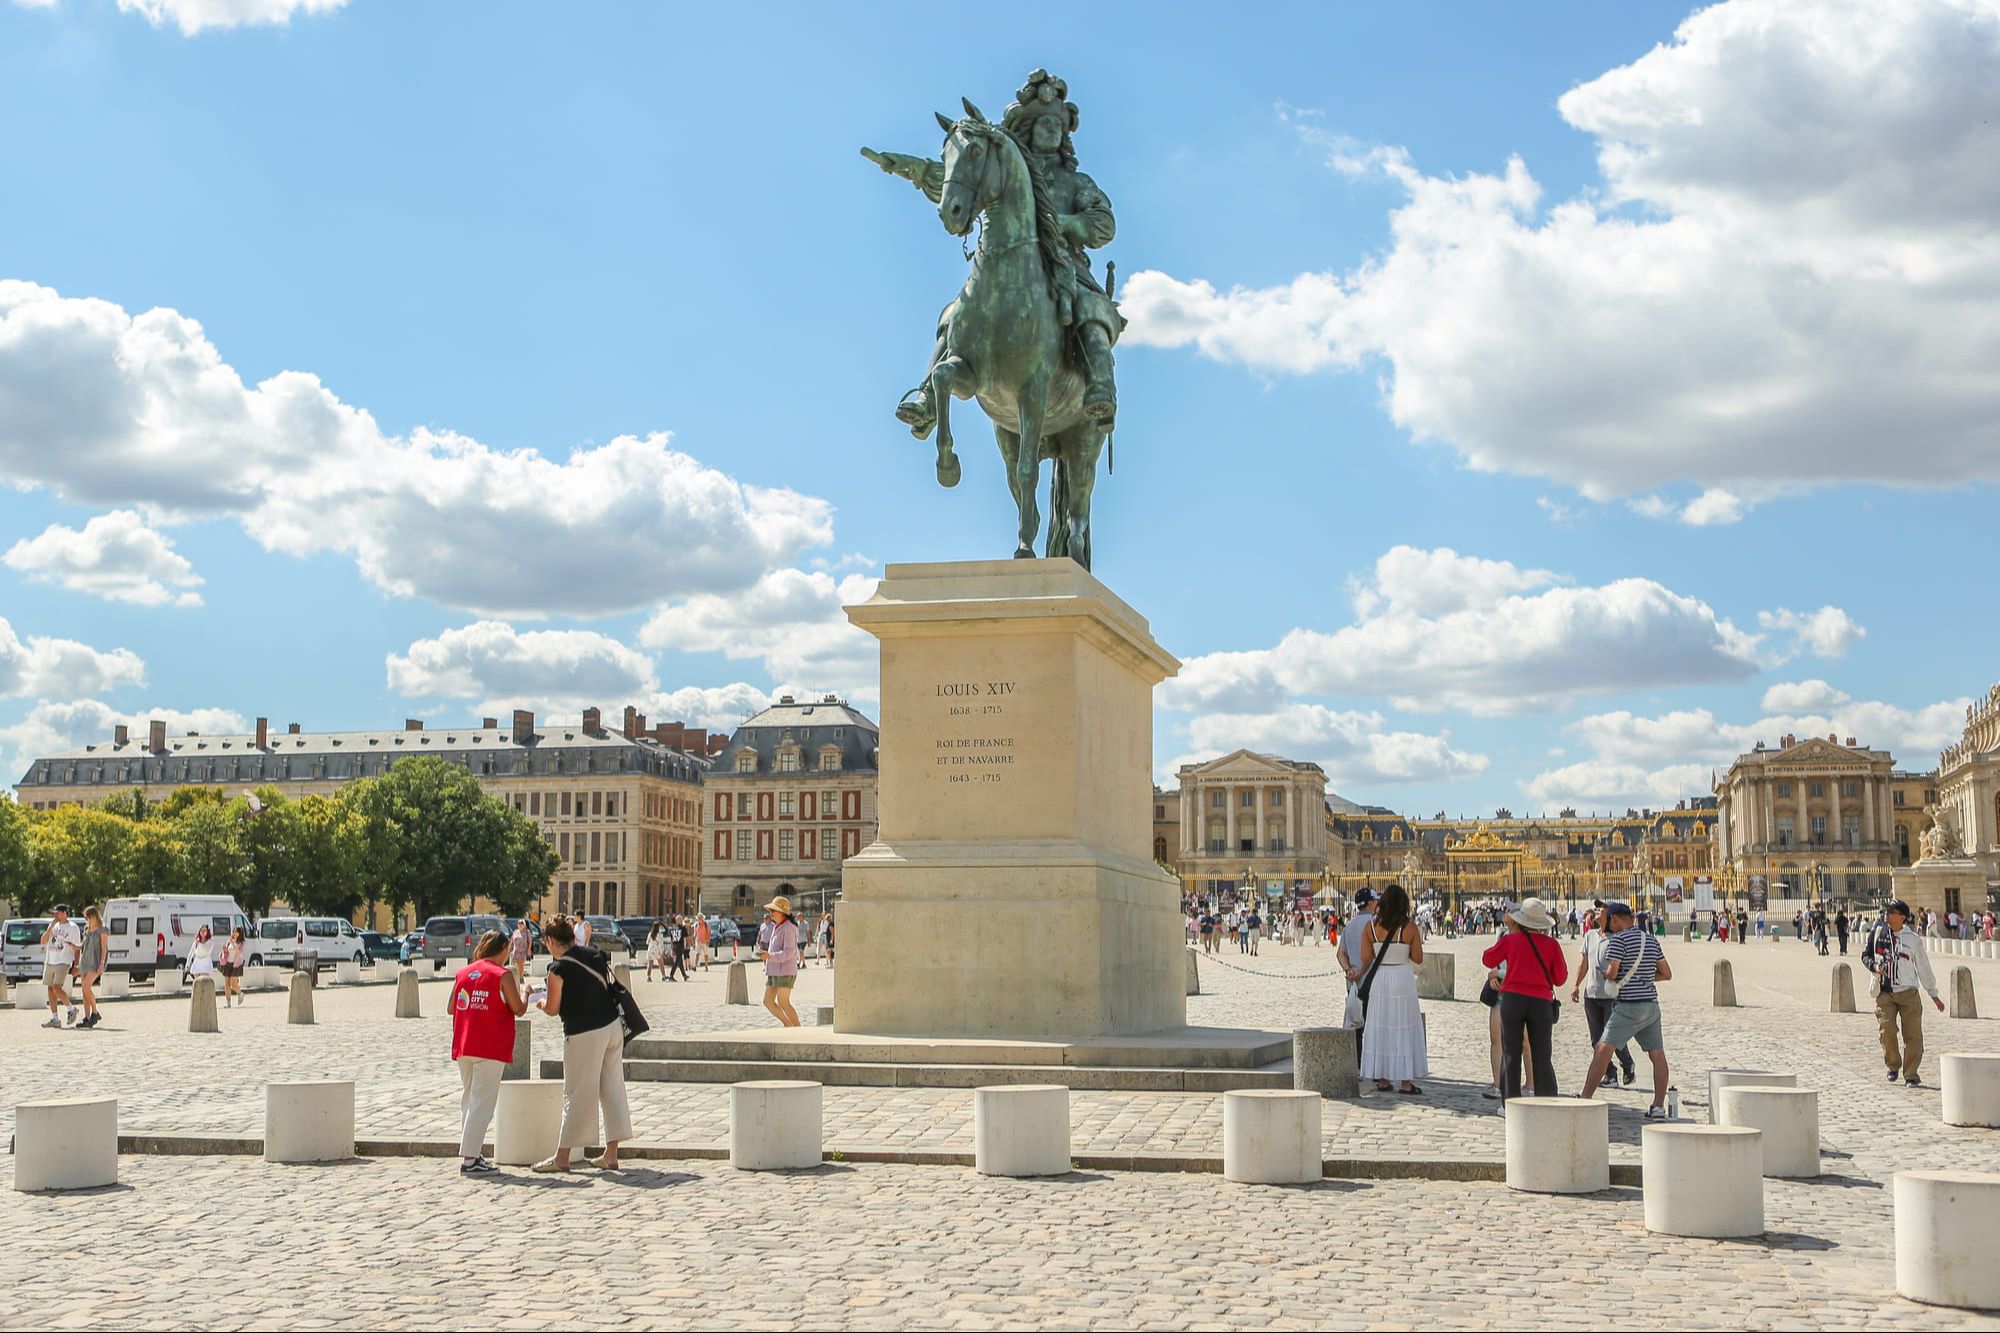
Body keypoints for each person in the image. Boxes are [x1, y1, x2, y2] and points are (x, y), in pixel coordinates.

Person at [531, 917, 632, 1172]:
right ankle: (611, 1154)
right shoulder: (594, 954)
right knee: (612, 1089)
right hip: (612, 1027)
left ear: (551, 941)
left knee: (576, 1093)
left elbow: (553, 1008)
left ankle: (562, 1157)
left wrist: (538, 1001)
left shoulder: (557, 969)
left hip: (583, 1033)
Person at [1579, 902, 1675, 1118]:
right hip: (1650, 1004)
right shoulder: (1651, 940)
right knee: (1657, 1055)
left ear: (1614, 919)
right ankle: (1658, 1105)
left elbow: (1612, 973)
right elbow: (1666, 973)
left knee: (1602, 1049)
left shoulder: (1618, 940)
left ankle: (1585, 1098)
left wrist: (1607, 973)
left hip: (1628, 1005)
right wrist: (1644, 978)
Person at [450, 930, 527, 1175]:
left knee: (469, 1100)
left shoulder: (463, 972)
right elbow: (518, 1008)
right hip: (490, 1044)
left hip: (465, 1043)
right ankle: (470, 1159)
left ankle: (473, 1153)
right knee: (482, 1102)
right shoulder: (502, 974)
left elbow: (452, 1007)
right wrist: (526, 992)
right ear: (503, 949)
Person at [1481, 898, 1567, 1103]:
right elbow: (1560, 978)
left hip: (1513, 1000)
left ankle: (1510, 1103)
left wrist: (1511, 933)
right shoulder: (1552, 944)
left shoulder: (1511, 940)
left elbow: (1487, 959)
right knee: (1542, 1055)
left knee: (1511, 1053)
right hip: (1541, 1002)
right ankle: (1547, 1101)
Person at [1863, 899, 1945, 1086]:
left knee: (1913, 1036)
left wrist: (1933, 994)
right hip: (1885, 992)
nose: (1886, 914)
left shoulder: (1913, 940)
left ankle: (1911, 1074)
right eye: (1887, 911)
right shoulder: (1878, 933)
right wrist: (1874, 966)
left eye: (1891, 912)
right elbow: (1865, 956)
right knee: (1887, 1030)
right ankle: (1893, 1064)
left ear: (1902, 917)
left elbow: (1923, 967)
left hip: (1908, 993)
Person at [1357, 885, 1427, 1095]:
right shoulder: (1410, 928)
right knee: (1403, 1026)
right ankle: (1406, 1082)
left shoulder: (1370, 927)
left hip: (1381, 979)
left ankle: (1383, 1079)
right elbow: (1418, 958)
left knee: (1382, 1026)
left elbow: (1365, 958)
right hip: (1402, 978)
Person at [1571, 907, 1636, 1089]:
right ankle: (1610, 1074)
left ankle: (1627, 1063)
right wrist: (1576, 984)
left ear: (1610, 916)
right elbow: (1583, 963)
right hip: (1591, 993)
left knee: (1612, 1037)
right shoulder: (1590, 935)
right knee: (1596, 1039)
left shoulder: (1618, 938)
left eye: (1601, 909)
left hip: (1611, 995)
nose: (1597, 911)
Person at [1338, 888, 1380, 1048]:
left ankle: (1358, 1060)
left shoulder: (1349, 926)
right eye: (1375, 900)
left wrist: (1349, 970)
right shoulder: (1375, 924)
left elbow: (1340, 953)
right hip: (1372, 981)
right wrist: (1361, 970)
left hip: (1353, 983)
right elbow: (1373, 954)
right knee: (1373, 1024)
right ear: (1370, 903)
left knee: (1356, 1023)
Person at [757, 896, 802, 1027]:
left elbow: (789, 952)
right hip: (774, 970)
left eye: (773, 911)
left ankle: (798, 1030)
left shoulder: (789, 928)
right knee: (768, 1001)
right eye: (770, 911)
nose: (770, 914)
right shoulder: (778, 926)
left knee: (783, 1002)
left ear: (782, 912)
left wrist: (769, 956)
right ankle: (788, 1025)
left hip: (785, 971)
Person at [39, 904, 81, 1028]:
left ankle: (71, 1009)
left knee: (57, 987)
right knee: (50, 989)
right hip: (50, 960)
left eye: (57, 913)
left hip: (64, 960)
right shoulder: (52, 926)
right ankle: (55, 1018)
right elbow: (43, 941)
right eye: (54, 913)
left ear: (64, 913)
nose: (55, 915)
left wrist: (76, 965)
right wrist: (51, 926)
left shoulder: (73, 927)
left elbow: (77, 948)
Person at [75, 907, 108, 1029]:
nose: (86, 920)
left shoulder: (102, 929)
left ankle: (95, 1012)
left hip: (95, 961)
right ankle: (87, 1017)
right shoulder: (87, 929)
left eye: (87, 917)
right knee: (84, 992)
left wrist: (102, 963)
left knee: (86, 986)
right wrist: (72, 945)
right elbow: (82, 945)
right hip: (85, 961)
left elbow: (104, 948)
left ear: (93, 916)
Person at [220, 926, 247, 1007]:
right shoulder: (229, 940)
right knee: (227, 984)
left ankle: (240, 993)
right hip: (228, 963)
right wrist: (224, 948)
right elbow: (227, 952)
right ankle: (228, 1003)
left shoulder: (242, 942)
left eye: (236, 932)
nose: (234, 933)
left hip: (236, 964)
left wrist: (234, 944)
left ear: (240, 933)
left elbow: (240, 952)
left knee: (233, 983)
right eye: (233, 931)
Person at [186, 924, 218, 990]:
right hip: (197, 962)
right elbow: (191, 953)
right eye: (201, 930)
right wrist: (187, 965)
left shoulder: (210, 942)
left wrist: (199, 944)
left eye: (204, 931)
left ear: (207, 932)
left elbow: (206, 951)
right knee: (197, 984)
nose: (202, 932)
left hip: (205, 962)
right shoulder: (196, 941)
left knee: (204, 983)